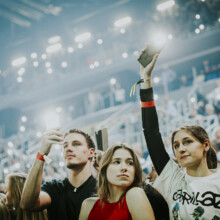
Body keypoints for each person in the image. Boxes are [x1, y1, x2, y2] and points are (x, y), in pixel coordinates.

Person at [137, 45, 220, 219]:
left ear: (205, 145)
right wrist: (146, 79)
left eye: (187, 142)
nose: (180, 148)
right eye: (176, 145)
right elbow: (151, 132)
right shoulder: (172, 179)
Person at [20, 128, 96, 220]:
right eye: (65, 146)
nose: (69, 148)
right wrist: (42, 154)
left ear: (91, 152)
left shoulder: (102, 189)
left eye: (76, 144)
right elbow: (27, 204)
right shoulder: (55, 188)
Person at [79, 144, 155, 220]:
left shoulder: (135, 194)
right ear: (104, 169)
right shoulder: (88, 205)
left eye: (130, 163)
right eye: (117, 162)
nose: (124, 168)